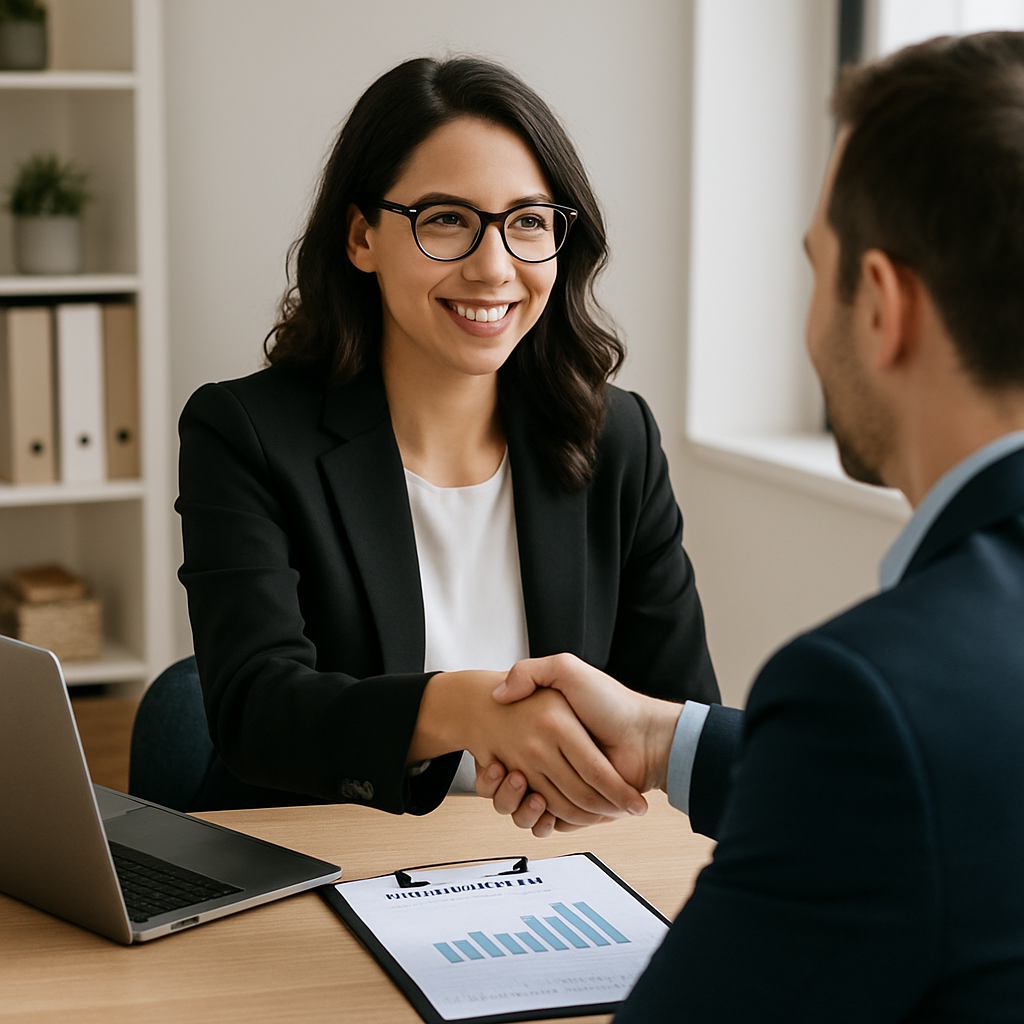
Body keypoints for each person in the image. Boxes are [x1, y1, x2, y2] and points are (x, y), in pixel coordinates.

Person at [478, 31, 1024, 1020]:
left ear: (881, 308)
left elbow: (898, 773)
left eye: (817, 269)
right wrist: (665, 736)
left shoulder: (873, 700)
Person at [175, 56, 718, 816]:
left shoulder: (614, 435)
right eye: (446, 221)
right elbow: (258, 716)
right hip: (323, 864)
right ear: (362, 237)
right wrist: (466, 709)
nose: (494, 268)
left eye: (528, 222)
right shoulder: (246, 434)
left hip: (554, 862)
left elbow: (679, 711)